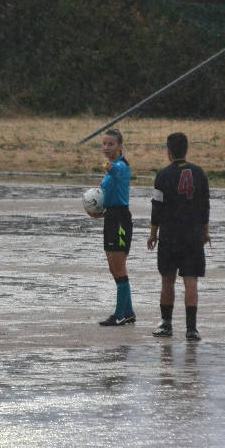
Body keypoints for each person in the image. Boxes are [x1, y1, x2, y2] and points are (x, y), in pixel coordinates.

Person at [147, 132, 210, 340]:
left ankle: (166, 325)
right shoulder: (200, 174)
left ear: (169, 151)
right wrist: (205, 232)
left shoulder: (162, 176)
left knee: (168, 280)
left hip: (170, 235)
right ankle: (192, 329)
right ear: (186, 149)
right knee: (190, 282)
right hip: (192, 235)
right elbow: (204, 207)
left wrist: (153, 234)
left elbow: (157, 207)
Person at [91, 129, 136, 326]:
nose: (106, 147)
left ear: (120, 146)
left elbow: (116, 171)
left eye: (111, 144)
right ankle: (128, 312)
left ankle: (120, 314)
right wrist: (98, 210)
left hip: (120, 219)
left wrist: (108, 165)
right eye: (104, 144)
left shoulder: (121, 166)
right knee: (112, 267)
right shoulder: (111, 167)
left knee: (119, 267)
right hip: (110, 216)